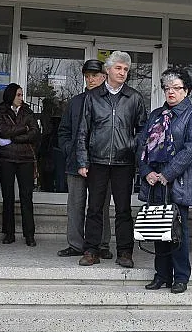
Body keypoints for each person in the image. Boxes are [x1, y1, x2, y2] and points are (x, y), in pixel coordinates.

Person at [75, 51, 148, 267]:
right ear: (108, 70)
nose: (122, 72)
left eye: (126, 69)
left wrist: (133, 146)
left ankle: (125, 252)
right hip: (97, 161)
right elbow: (83, 131)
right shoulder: (93, 96)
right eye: (118, 68)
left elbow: (143, 131)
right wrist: (82, 161)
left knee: (124, 210)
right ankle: (91, 251)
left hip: (124, 162)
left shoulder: (134, 97)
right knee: (95, 208)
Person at [139, 69, 192, 294]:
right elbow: (143, 146)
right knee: (158, 230)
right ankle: (162, 275)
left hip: (178, 181)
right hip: (154, 182)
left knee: (178, 231)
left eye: (176, 88)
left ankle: (181, 276)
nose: (171, 92)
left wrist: (167, 174)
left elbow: (191, 149)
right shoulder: (156, 114)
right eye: (167, 88)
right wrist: (147, 171)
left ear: (186, 91)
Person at [57, 59, 114, 259]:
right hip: (75, 163)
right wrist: (69, 149)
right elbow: (63, 131)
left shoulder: (110, 101)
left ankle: (102, 244)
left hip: (102, 162)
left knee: (101, 205)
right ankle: (75, 244)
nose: (91, 79)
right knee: (75, 205)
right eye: (87, 76)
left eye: (95, 75)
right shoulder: (75, 101)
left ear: (104, 76)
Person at [0, 83, 39, 246]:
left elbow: (34, 133)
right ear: (11, 95)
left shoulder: (27, 110)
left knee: (27, 197)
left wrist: (13, 138)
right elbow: (2, 130)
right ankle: (9, 233)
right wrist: (23, 129)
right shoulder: (1, 110)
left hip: (25, 158)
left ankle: (30, 235)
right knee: (8, 197)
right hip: (5, 158)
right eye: (18, 95)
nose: (21, 98)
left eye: (22, 95)